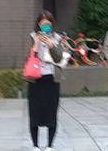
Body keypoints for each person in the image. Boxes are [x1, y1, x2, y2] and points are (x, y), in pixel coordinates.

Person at [26, 10, 67, 151]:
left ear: (52, 24)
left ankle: (49, 145)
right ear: (38, 24)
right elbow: (28, 58)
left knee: (51, 112)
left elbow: (59, 58)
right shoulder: (32, 37)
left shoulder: (57, 38)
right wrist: (36, 45)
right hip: (36, 80)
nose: (46, 27)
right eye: (43, 24)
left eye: (48, 24)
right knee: (34, 113)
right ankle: (35, 145)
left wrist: (51, 45)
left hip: (52, 79)